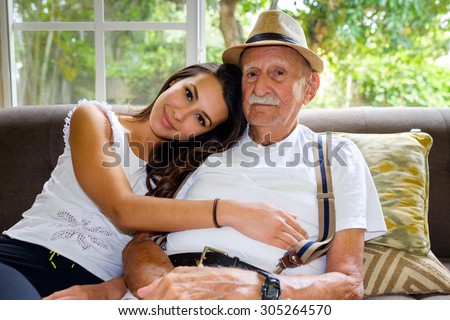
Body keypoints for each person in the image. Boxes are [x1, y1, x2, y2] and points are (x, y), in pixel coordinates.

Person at [47, 10, 387, 300]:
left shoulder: (336, 156)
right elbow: (141, 243)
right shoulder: (207, 145)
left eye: (278, 73)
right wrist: (155, 289)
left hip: (263, 295)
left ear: (309, 87)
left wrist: (256, 288)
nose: (260, 87)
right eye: (252, 74)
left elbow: (348, 283)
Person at [0, 62, 305, 299]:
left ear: (202, 134)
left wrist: (110, 290)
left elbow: (153, 248)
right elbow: (122, 208)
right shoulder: (95, 120)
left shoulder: (182, 176)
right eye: (188, 94)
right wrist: (232, 211)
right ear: (175, 81)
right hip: (23, 257)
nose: (180, 114)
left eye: (200, 119)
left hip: (91, 286)